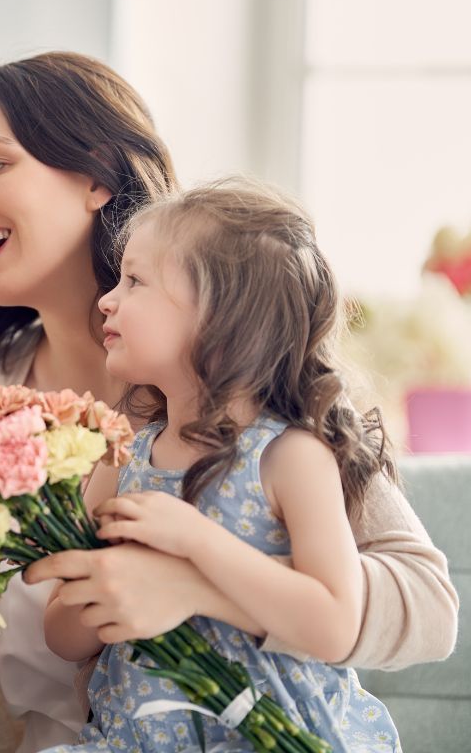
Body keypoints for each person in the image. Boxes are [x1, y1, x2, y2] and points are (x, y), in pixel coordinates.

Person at [0, 51, 457, 753]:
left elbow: (428, 609)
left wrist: (190, 583)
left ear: (95, 176)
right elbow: (11, 649)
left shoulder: (256, 402)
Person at [41, 180, 400, 751]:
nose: (108, 299)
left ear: (220, 321)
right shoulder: (122, 456)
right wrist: (103, 592)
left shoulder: (291, 458)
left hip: (272, 737)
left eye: (135, 281)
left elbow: (334, 624)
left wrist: (194, 547)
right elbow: (61, 636)